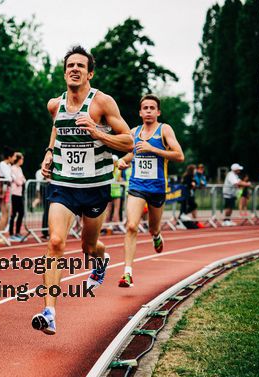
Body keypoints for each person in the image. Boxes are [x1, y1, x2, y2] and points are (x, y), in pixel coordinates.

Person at [32, 46, 133, 335]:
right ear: (64, 72)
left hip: (96, 187)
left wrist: (97, 132)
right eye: (70, 65)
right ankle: (49, 311)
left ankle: (100, 261)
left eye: (80, 66)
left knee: (89, 247)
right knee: (55, 242)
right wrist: (49, 152)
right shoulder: (55, 104)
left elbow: (128, 142)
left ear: (90, 73)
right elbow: (56, 128)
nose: (74, 69)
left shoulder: (102, 103)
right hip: (64, 185)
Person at [116, 94, 185, 288]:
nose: (148, 111)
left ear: (158, 112)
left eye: (151, 108)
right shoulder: (134, 132)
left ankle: (156, 236)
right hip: (137, 186)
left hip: (157, 188)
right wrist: (123, 162)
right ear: (140, 112)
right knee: (131, 226)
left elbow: (179, 155)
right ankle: (127, 273)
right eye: (145, 108)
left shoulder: (164, 130)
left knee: (153, 227)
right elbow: (132, 153)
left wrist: (153, 149)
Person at [9, 152, 26, 241]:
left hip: (19, 194)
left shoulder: (19, 169)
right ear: (19, 159)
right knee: (13, 214)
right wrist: (21, 181)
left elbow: (24, 179)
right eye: (22, 158)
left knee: (21, 213)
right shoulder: (12, 168)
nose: (23, 160)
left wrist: (21, 181)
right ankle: (11, 233)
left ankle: (17, 232)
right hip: (14, 194)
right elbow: (18, 181)